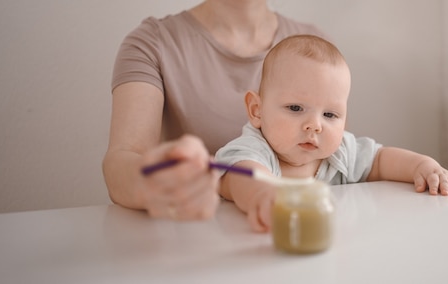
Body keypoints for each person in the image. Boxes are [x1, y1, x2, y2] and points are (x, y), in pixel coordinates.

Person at [215, 35, 448, 232]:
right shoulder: (254, 148)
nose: (315, 125)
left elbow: (380, 160)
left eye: (330, 115)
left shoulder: (339, 153)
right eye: (295, 108)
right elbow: (241, 176)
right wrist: (263, 194)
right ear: (257, 110)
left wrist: (423, 165)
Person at [102, 0, 327, 220]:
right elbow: (122, 160)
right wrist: (151, 182)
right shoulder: (152, 42)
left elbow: (340, 153)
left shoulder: (318, 47)